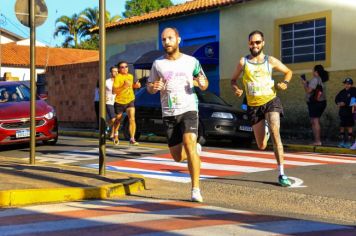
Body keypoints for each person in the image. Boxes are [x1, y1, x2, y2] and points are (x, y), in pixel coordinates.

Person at [147, 27, 209, 202]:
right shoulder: (158, 64)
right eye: (164, 39)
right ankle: (195, 149)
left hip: (189, 108)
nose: (166, 42)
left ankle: (195, 189)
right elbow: (150, 86)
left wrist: (202, 83)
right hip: (169, 113)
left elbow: (204, 82)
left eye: (170, 38)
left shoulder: (192, 61)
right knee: (177, 157)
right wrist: (153, 87)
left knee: (189, 144)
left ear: (178, 39)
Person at [231, 30, 293, 187]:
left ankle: (282, 173)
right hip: (254, 106)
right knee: (261, 145)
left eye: (258, 42)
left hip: (271, 101)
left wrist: (285, 83)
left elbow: (288, 72)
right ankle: (264, 128)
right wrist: (236, 88)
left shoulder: (270, 60)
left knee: (276, 133)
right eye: (252, 42)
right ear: (248, 44)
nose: (255, 45)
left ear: (263, 43)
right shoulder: (243, 62)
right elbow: (233, 80)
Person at [112, 61, 141, 145]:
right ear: (119, 69)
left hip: (130, 100)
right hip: (119, 102)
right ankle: (116, 134)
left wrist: (137, 85)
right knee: (118, 120)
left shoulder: (131, 76)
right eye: (122, 67)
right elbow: (114, 91)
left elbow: (133, 86)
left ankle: (132, 138)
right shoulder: (118, 77)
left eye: (126, 66)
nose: (124, 68)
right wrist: (123, 86)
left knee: (132, 118)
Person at [301, 65, 328, 146]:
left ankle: (317, 141)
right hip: (321, 102)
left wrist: (305, 84)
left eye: (313, 70)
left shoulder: (315, 79)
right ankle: (317, 141)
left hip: (315, 103)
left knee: (315, 121)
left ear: (316, 72)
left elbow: (308, 91)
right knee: (314, 121)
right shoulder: (321, 79)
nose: (312, 72)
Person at [335, 77, 356, 148]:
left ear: (351, 84)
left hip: (350, 112)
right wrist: (338, 103)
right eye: (345, 84)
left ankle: (349, 142)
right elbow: (336, 99)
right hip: (342, 112)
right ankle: (342, 141)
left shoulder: (354, 90)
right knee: (342, 126)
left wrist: (345, 103)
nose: (346, 85)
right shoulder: (342, 92)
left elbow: (353, 100)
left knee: (350, 127)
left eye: (348, 84)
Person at [106, 66, 118, 139]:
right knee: (113, 119)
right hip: (109, 101)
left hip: (118, 101)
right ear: (111, 73)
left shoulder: (120, 81)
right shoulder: (107, 82)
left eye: (117, 71)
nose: (116, 73)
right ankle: (107, 125)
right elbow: (100, 91)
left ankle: (112, 134)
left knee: (116, 119)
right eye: (114, 71)